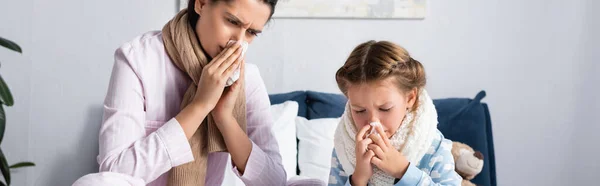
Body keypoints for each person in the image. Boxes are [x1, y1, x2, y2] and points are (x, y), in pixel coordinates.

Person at [75, 0, 288, 185]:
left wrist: (224, 118)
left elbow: (275, 182)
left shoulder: (246, 78)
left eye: (251, 33)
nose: (238, 42)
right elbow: (113, 175)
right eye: (232, 21)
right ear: (201, 3)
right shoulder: (137, 59)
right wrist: (200, 106)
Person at [328, 41, 462, 186]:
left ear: (410, 98)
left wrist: (403, 171)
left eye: (385, 109)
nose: (373, 122)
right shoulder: (344, 147)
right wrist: (358, 179)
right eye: (360, 110)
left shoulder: (434, 147)